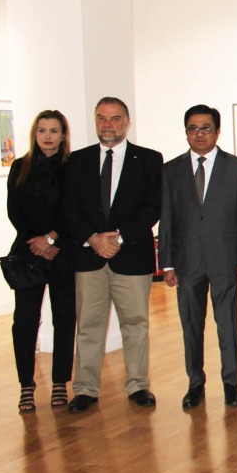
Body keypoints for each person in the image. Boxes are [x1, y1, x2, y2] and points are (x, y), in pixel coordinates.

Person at [63, 97, 163, 412]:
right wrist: (93, 239)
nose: (108, 125)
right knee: (89, 325)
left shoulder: (148, 159)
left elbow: (153, 207)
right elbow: (69, 208)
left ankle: (138, 385)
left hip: (131, 255)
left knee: (135, 323)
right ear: (96, 121)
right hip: (88, 256)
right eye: (102, 118)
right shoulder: (77, 161)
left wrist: (117, 237)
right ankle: (85, 389)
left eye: (115, 118)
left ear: (126, 122)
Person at [159, 105, 237, 409]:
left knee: (227, 325)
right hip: (187, 263)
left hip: (225, 260)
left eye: (206, 127)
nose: (199, 134)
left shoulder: (236, 168)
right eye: (193, 128)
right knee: (191, 326)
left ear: (218, 131)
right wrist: (168, 262)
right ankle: (195, 384)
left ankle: (231, 384)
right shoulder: (171, 170)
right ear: (186, 131)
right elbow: (167, 218)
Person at [6, 110, 76, 413]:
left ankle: (60, 381)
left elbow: (73, 211)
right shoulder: (20, 166)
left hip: (62, 252)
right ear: (35, 134)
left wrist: (51, 239)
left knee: (63, 318)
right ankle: (26, 385)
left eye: (54, 131)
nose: (48, 136)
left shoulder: (72, 168)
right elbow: (14, 210)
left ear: (63, 135)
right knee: (24, 321)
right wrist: (36, 241)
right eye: (42, 130)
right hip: (28, 252)